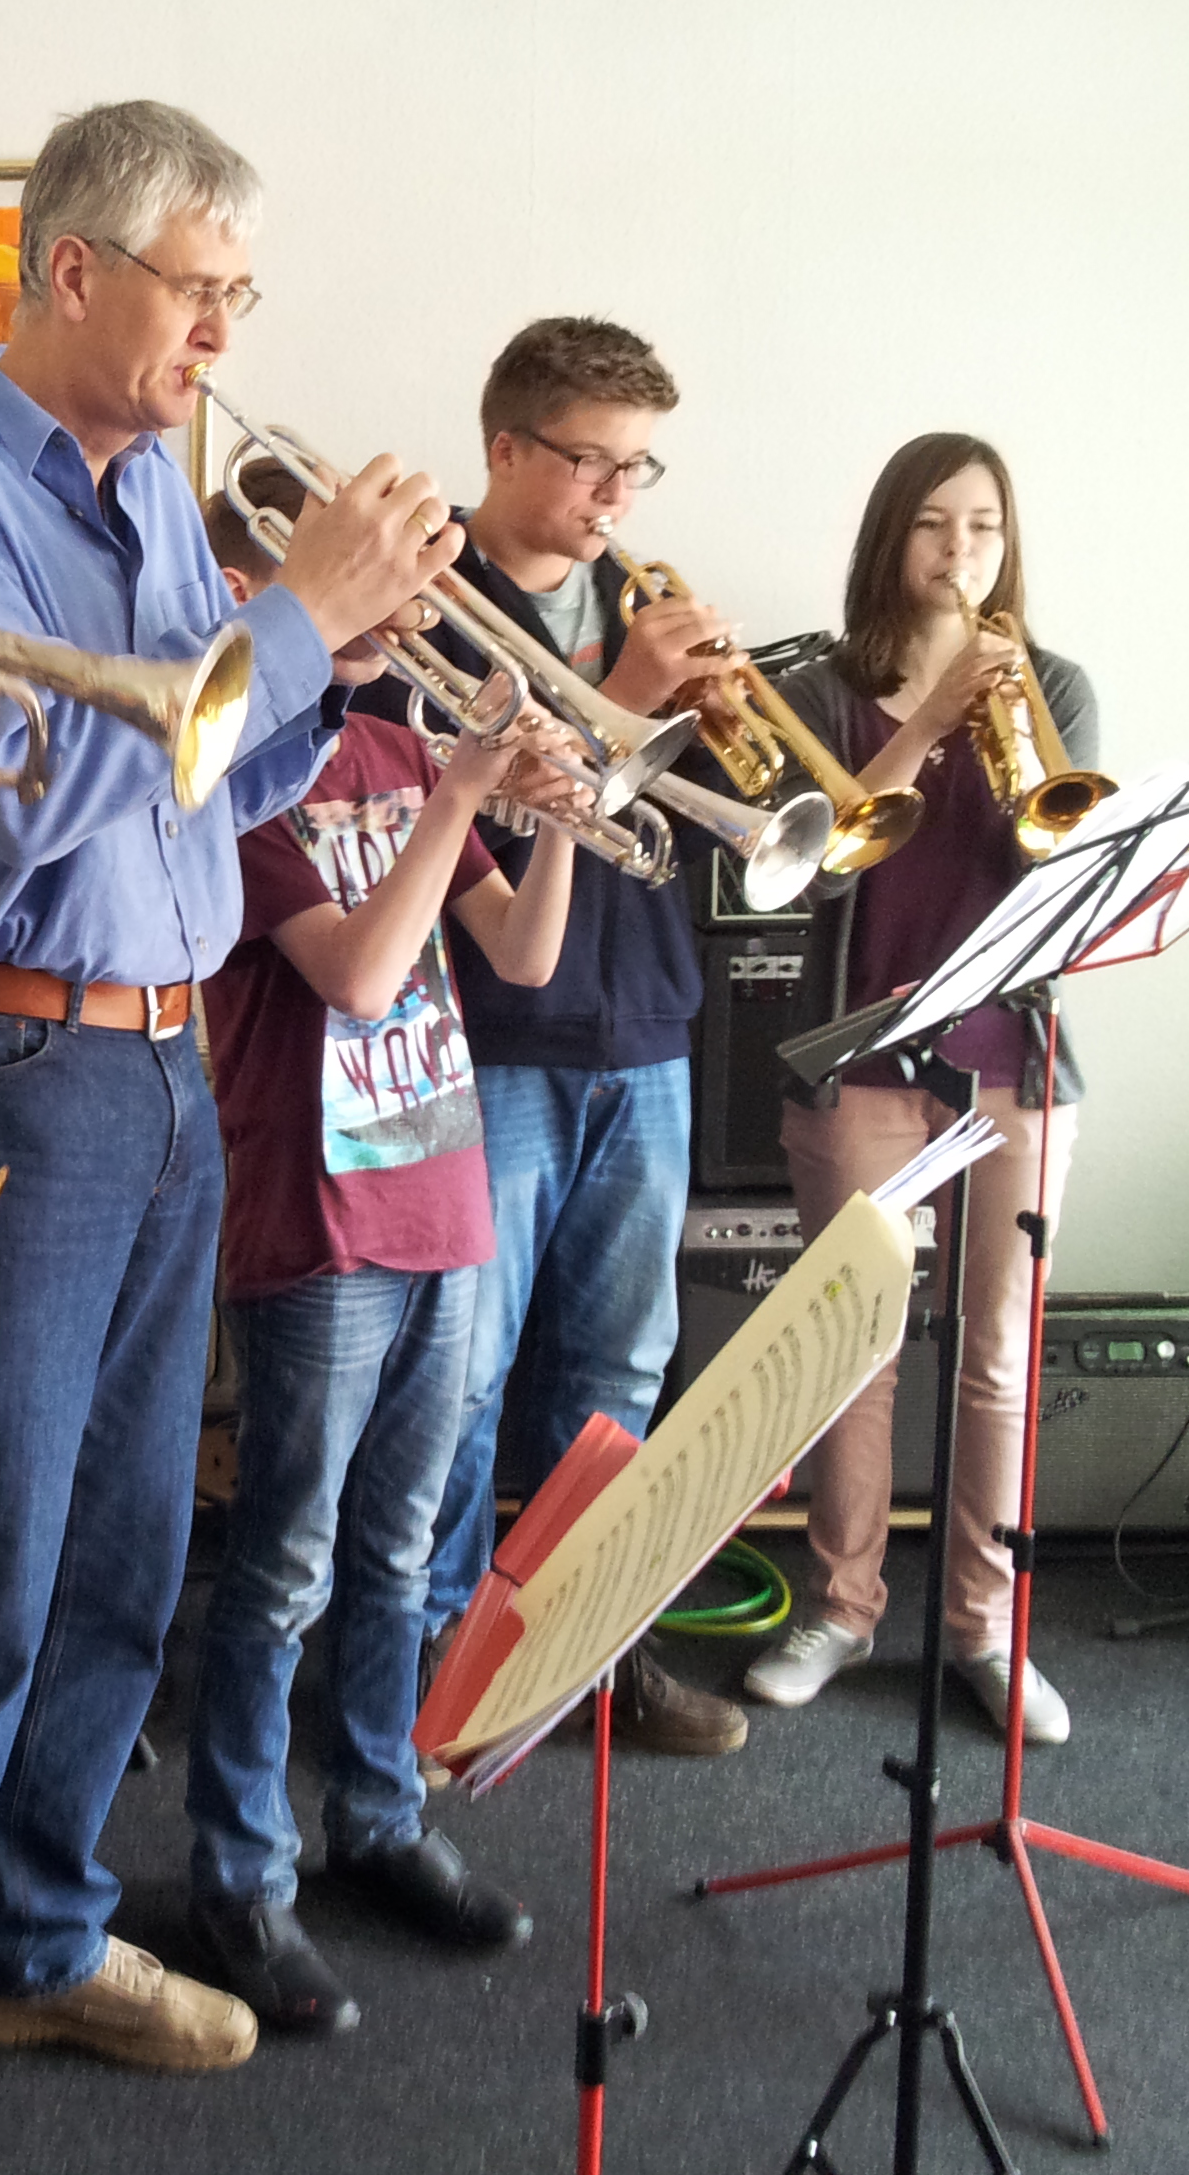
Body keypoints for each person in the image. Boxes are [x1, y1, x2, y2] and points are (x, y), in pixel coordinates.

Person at [0, 100, 462, 2175]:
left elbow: (205, 786)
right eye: (200, 290)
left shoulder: (150, 479)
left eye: (244, 294)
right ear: (74, 271)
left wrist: (346, 681)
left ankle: (35, 1936)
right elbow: (29, 791)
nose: (225, 335)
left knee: (130, 1557)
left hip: (158, 1065)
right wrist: (288, 621)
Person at [180, 468, 581, 2036]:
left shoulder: (411, 753)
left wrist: (561, 818)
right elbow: (356, 975)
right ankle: (241, 1868)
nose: (402, 609)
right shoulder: (241, 773)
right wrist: (464, 797)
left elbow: (522, 956)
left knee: (403, 1546)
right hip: (318, 1215)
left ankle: (379, 1816)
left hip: (446, 1195)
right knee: (285, 1557)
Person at [411, 315, 753, 1759]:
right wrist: (626, 701)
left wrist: (712, 722)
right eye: (589, 462)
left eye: (638, 467)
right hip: (493, 1037)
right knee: (461, 1380)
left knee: (619, 1375)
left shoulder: (643, 602)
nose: (618, 497)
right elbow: (452, 822)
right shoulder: (428, 599)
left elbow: (708, 830)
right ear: (505, 447)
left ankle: (592, 1656)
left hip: (648, 1031)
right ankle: (438, 1669)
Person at [741, 433, 1095, 1743]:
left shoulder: (1056, 684)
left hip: (1015, 1060)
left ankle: (984, 1629)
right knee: (853, 1352)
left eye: (985, 526)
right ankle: (839, 1609)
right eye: (936, 524)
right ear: (893, 537)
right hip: (864, 1057)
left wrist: (1005, 730)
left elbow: (1069, 862)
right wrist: (934, 722)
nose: (961, 550)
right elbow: (820, 861)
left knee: (996, 1356)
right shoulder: (820, 694)